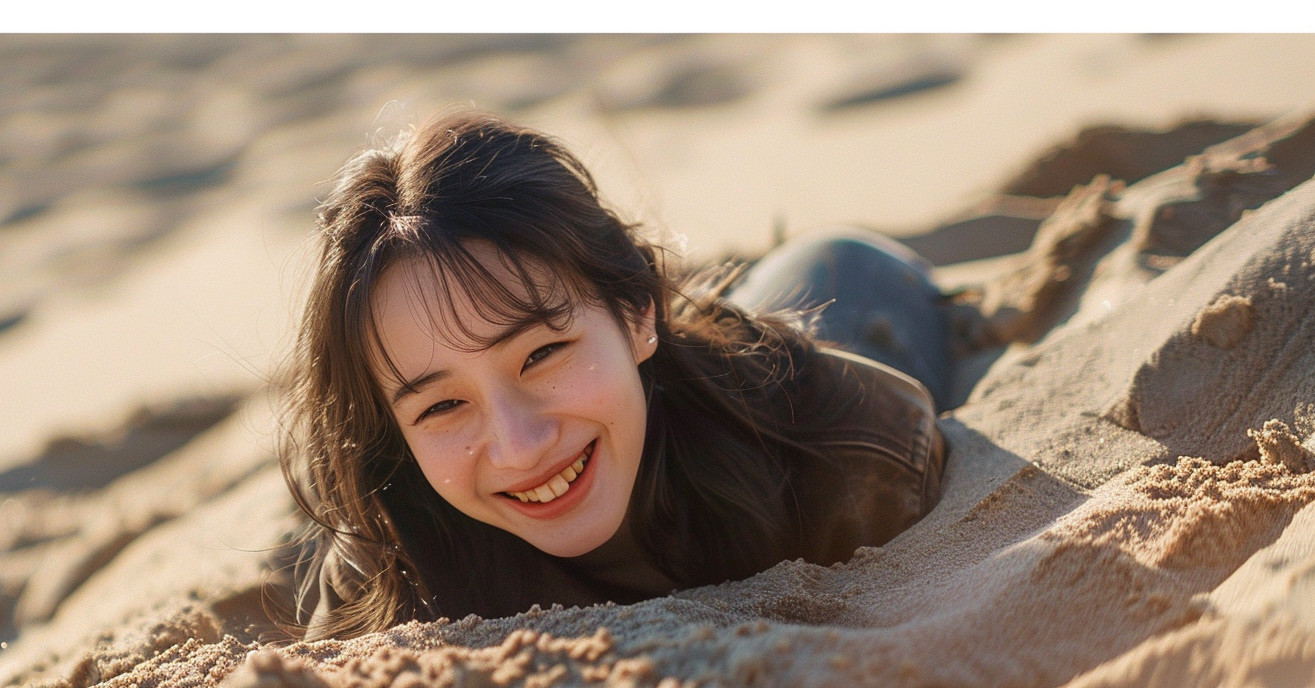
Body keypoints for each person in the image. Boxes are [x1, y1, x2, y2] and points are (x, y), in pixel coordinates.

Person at [279, 110, 948, 640]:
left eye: (541, 354)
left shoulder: (847, 451)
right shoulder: (395, 560)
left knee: (829, 260)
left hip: (852, 291)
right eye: (441, 406)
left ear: (636, 309)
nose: (519, 445)